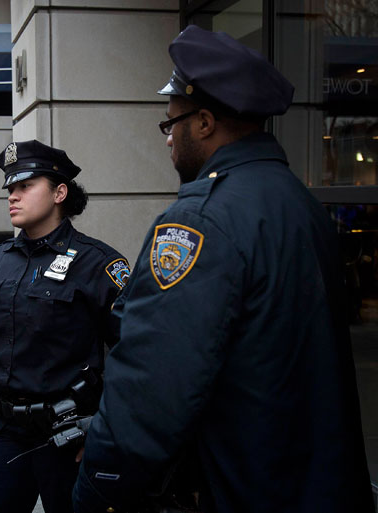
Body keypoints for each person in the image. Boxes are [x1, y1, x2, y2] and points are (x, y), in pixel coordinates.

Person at [73, 25, 373, 513]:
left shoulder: (200, 219)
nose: (167, 139)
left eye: (171, 124)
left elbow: (153, 384)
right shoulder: (299, 202)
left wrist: (97, 488)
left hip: (248, 485)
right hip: (317, 481)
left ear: (205, 123)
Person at [0, 140, 130, 513]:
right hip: (1, 431)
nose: (12, 196)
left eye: (25, 186)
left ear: (59, 193)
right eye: (10, 188)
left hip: (68, 433)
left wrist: (105, 427)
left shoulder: (98, 264)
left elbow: (131, 352)